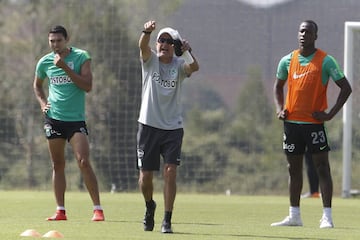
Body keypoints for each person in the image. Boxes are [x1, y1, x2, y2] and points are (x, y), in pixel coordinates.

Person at [271, 20, 352, 228]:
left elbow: (346, 88)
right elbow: (278, 86)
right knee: (293, 169)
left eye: (308, 31)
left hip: (314, 124)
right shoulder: (288, 60)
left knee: (322, 168)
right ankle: (294, 215)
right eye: (301, 30)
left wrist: (330, 114)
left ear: (315, 36)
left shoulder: (326, 61)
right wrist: (280, 108)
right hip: (291, 125)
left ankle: (327, 216)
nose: (303, 34)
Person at [33, 25, 104, 221]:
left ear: (67, 40)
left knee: (83, 161)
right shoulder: (45, 62)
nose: (55, 45)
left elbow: (87, 86)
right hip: (54, 119)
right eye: (52, 41)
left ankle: (98, 209)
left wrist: (64, 67)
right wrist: (42, 103)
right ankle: (60, 210)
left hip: (75, 120)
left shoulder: (82, 57)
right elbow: (37, 86)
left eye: (58, 41)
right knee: (58, 164)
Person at [137, 20, 199, 233]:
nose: (163, 44)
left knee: (170, 171)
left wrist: (188, 52)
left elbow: (194, 67)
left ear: (176, 47)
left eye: (169, 41)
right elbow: (142, 46)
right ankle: (149, 206)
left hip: (173, 128)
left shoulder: (179, 66)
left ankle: (167, 219)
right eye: (160, 40)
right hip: (148, 126)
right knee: (145, 177)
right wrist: (147, 31)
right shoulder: (150, 61)